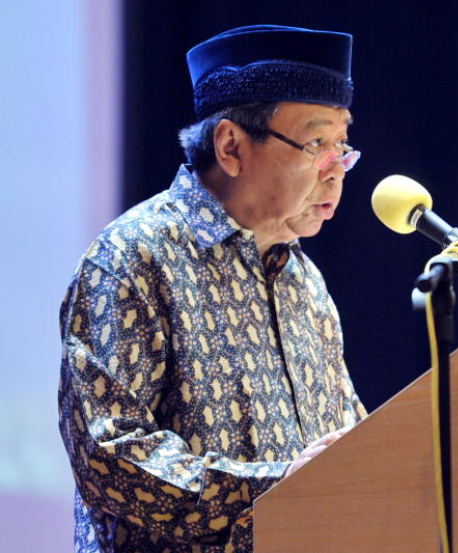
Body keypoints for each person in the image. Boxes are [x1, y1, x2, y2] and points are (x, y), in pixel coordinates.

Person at [58, 25, 367, 552]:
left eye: (342, 145)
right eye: (316, 143)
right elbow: (108, 455)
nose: (337, 170)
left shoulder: (304, 280)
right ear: (230, 147)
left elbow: (347, 444)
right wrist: (278, 488)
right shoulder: (134, 257)